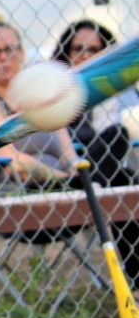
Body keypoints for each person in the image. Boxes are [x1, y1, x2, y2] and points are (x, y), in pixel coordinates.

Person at [51, 19, 139, 290]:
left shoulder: (117, 91)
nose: (85, 56)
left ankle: (97, 182)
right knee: (119, 159)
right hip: (67, 170)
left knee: (118, 152)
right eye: (78, 48)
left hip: (103, 170)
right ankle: (137, 279)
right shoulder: (53, 89)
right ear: (66, 52)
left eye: (93, 49)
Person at [0, 20, 81, 193]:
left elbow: (68, 153)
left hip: (63, 184)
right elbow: (8, 158)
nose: (3, 57)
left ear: (22, 53)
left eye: (9, 49)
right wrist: (66, 181)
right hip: (14, 187)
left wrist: (77, 172)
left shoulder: (41, 96)